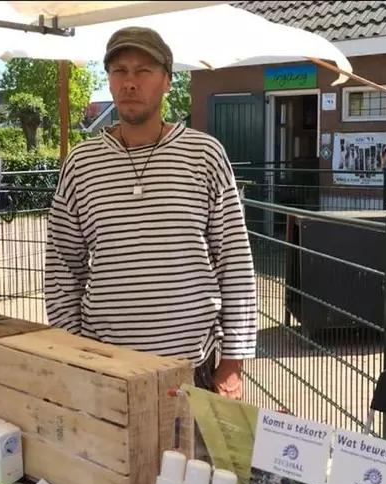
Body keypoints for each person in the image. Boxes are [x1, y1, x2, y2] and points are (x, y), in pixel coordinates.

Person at [44, 27, 258, 401]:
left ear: (167, 82)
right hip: (107, 367)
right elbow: (64, 265)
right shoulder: (81, 163)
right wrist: (72, 351)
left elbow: (234, 260)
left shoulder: (204, 155)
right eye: (119, 71)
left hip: (194, 366)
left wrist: (232, 363)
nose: (130, 83)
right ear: (109, 81)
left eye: (143, 71)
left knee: (192, 459)